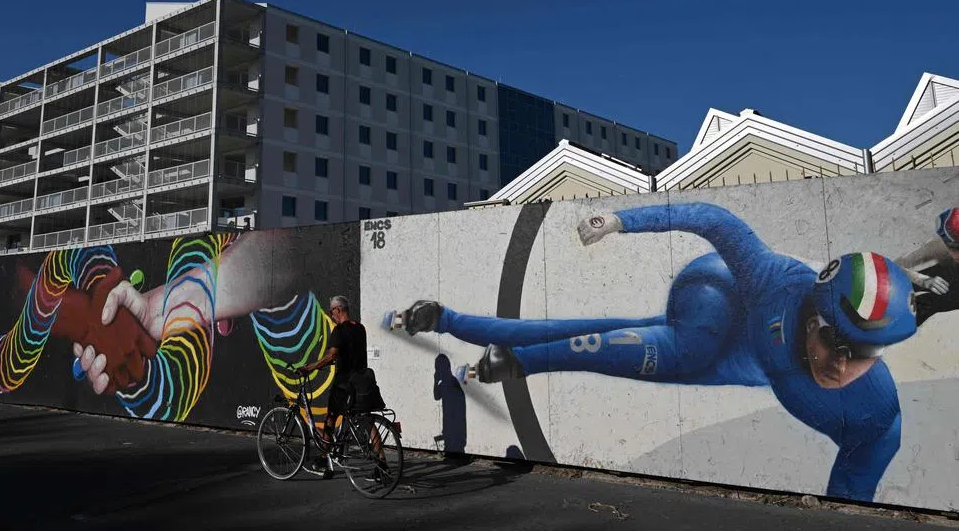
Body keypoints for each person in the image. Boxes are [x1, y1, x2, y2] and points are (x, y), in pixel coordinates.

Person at [387, 201, 950, 503]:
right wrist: (619, 222)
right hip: (710, 302)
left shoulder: (874, 413)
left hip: (731, 358)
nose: (839, 367)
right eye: (834, 341)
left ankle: (472, 337)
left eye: (864, 355)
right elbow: (715, 220)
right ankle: (489, 345)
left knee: (599, 334)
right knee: (623, 344)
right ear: (815, 312)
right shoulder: (774, 279)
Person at [298, 295, 367, 475]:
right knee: (367, 420)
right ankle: (382, 461)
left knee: (330, 417)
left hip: (343, 383)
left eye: (331, 311)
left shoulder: (339, 330)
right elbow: (347, 353)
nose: (331, 315)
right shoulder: (360, 328)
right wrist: (329, 362)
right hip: (361, 381)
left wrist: (311, 367)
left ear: (338, 310)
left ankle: (323, 460)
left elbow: (332, 355)